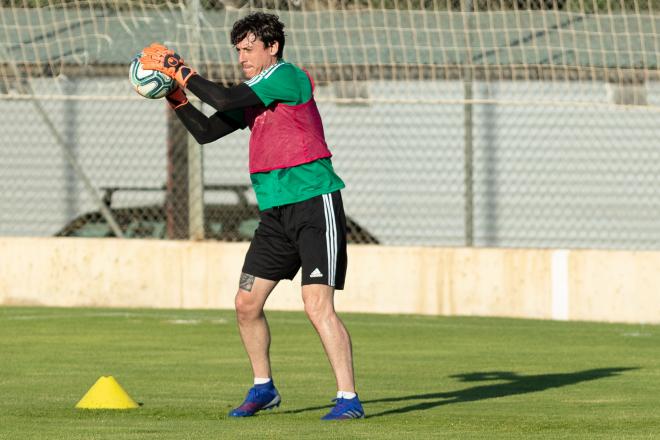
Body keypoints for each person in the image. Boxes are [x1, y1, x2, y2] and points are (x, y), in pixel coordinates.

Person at [139, 12, 364, 420]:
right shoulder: (255, 94)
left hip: (315, 205)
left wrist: (177, 68)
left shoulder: (286, 76)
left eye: (248, 48)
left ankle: (348, 398)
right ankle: (264, 388)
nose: (242, 56)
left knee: (316, 305)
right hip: (275, 215)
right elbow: (207, 132)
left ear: (271, 47)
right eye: (238, 50)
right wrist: (175, 97)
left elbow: (223, 98)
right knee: (246, 303)